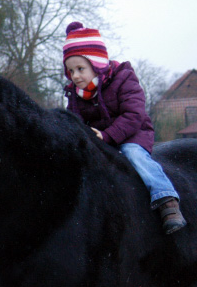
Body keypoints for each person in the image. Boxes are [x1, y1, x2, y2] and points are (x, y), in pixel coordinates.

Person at [62, 21, 187, 234]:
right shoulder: (75, 93)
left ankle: (166, 199)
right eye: (71, 70)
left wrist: (107, 135)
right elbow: (74, 121)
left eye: (80, 69)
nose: (75, 76)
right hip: (100, 138)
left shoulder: (124, 78)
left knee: (134, 155)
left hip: (132, 134)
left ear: (97, 64)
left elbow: (134, 114)